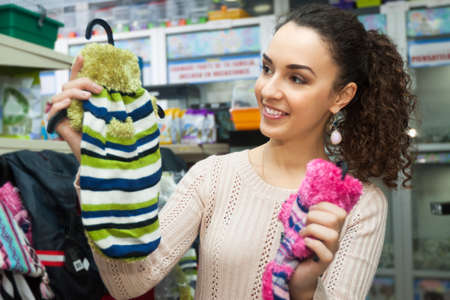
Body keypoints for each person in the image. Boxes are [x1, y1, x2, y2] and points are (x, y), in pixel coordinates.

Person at [48, 4, 416, 300]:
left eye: (297, 78)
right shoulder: (213, 175)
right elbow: (128, 283)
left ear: (341, 96)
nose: (268, 90)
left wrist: (303, 289)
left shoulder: (360, 206)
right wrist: (97, 161)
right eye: (267, 68)